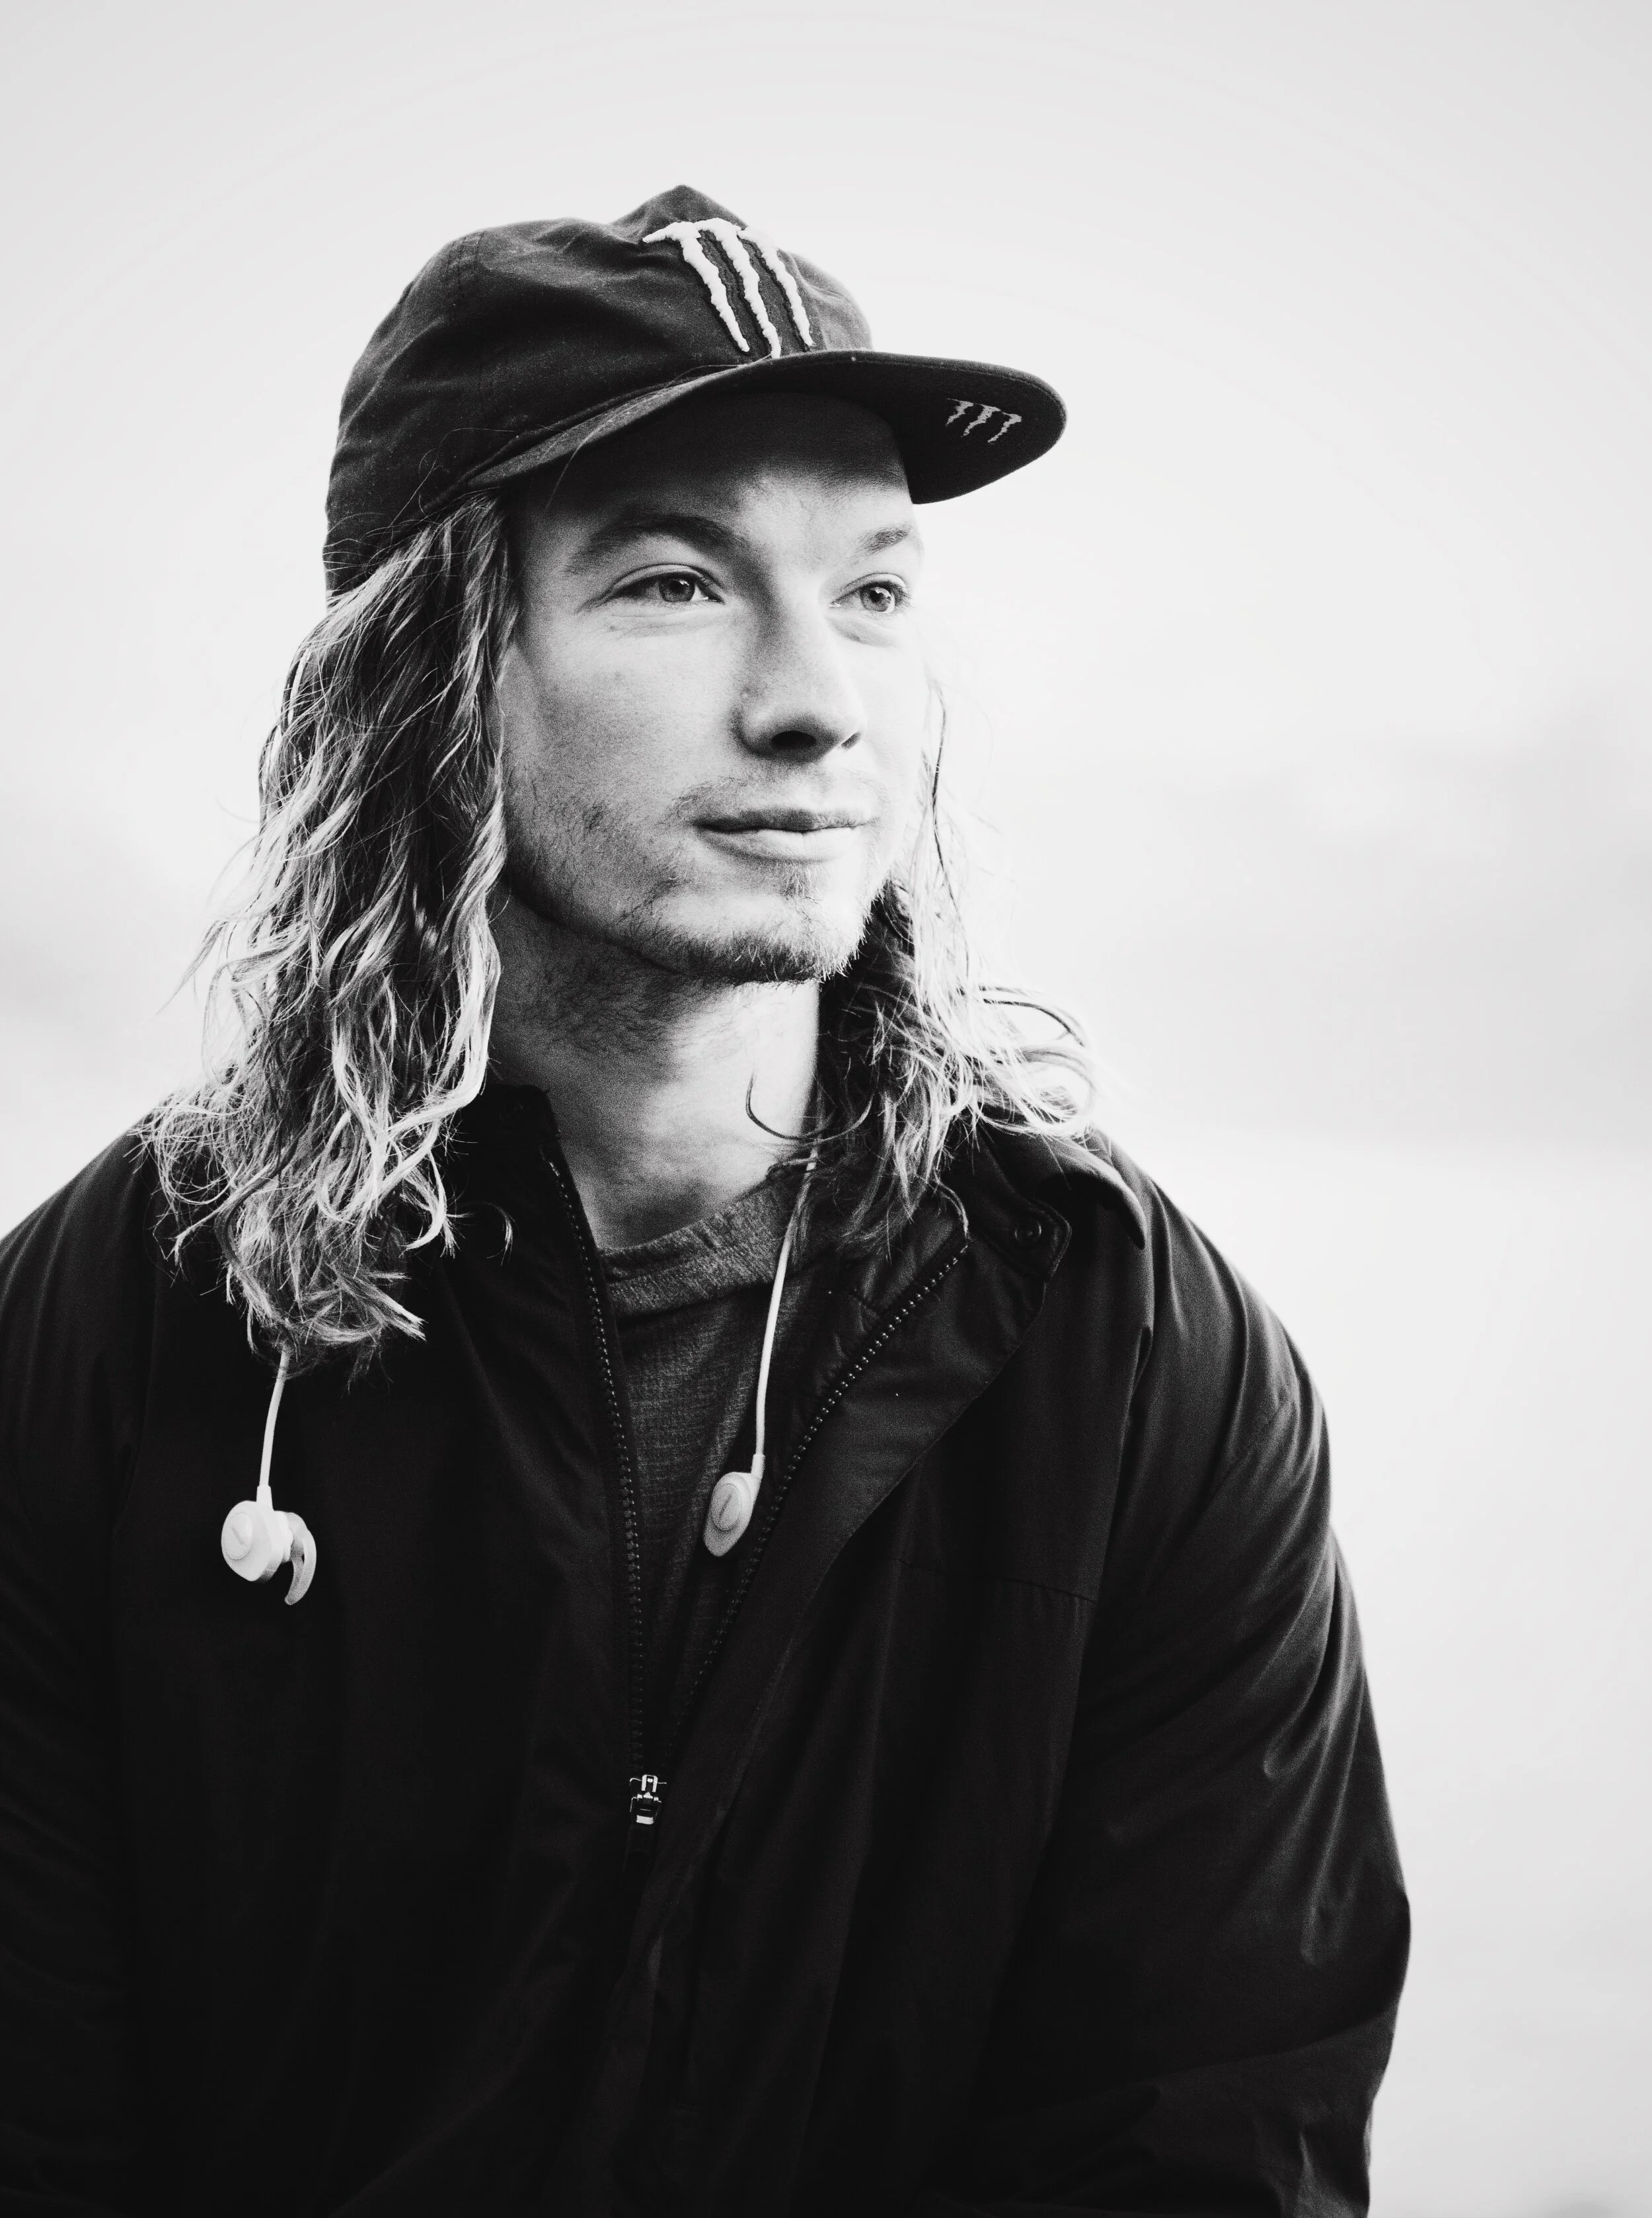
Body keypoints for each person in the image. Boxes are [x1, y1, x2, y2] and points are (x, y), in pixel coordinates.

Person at [0, 186, 1408, 2217]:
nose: (815, 697)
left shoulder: (1124, 1359)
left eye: (875, 589)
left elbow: (1198, 2148)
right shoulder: (109, 1342)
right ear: (430, 669)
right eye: (675, 581)